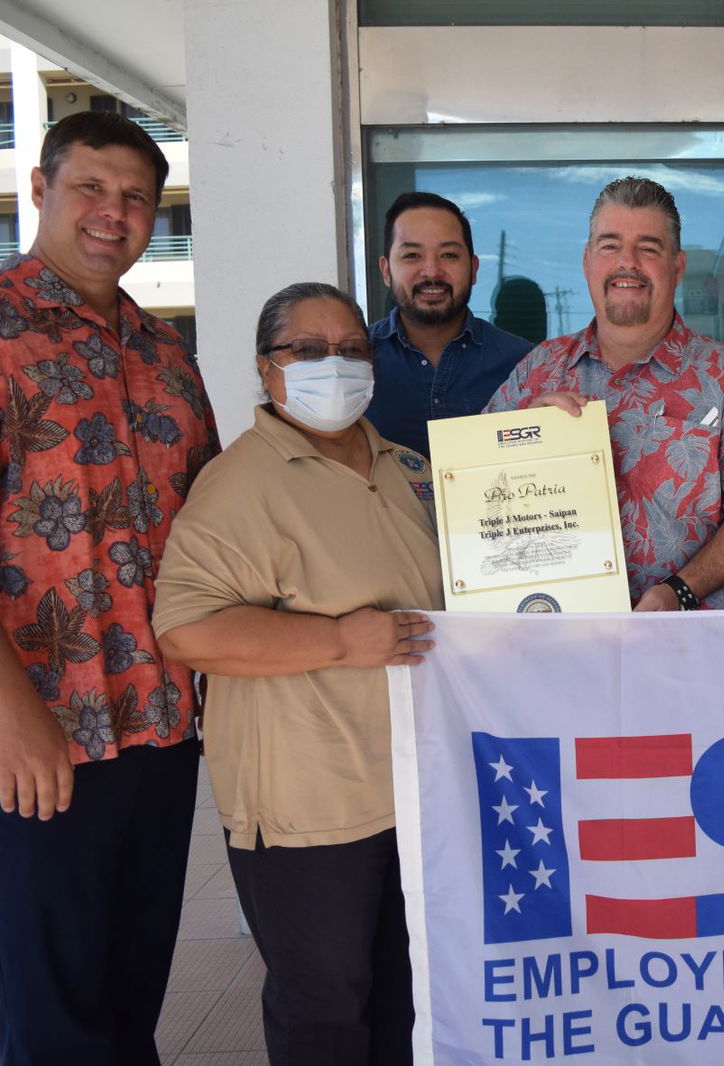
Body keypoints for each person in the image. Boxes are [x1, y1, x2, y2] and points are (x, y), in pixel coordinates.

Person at [153, 283, 441, 1064]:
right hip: (307, 809)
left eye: (351, 349)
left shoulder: (408, 468)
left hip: (408, 792)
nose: (333, 365)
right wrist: (340, 641)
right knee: (325, 1014)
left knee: (406, 1000)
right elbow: (186, 628)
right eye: (307, 351)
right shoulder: (242, 482)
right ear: (265, 366)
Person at [0, 110, 218, 1065]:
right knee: (48, 1011)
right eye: (91, 187)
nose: (113, 212)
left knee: (132, 996)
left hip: (162, 724)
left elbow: (212, 528)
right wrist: (11, 713)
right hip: (42, 729)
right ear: (39, 189)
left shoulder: (166, 353)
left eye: (135, 197)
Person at [486, 176, 724, 610]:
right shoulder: (538, 371)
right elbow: (470, 493)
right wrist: (521, 435)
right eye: (610, 245)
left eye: (648, 248)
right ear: (587, 260)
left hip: (692, 639)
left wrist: (679, 591)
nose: (628, 263)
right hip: (558, 634)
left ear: (677, 266)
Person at [366, 191, 530, 458]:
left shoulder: (525, 365)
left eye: (449, 255)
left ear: (473, 269)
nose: (432, 271)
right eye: (412, 255)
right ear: (386, 271)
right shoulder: (353, 362)